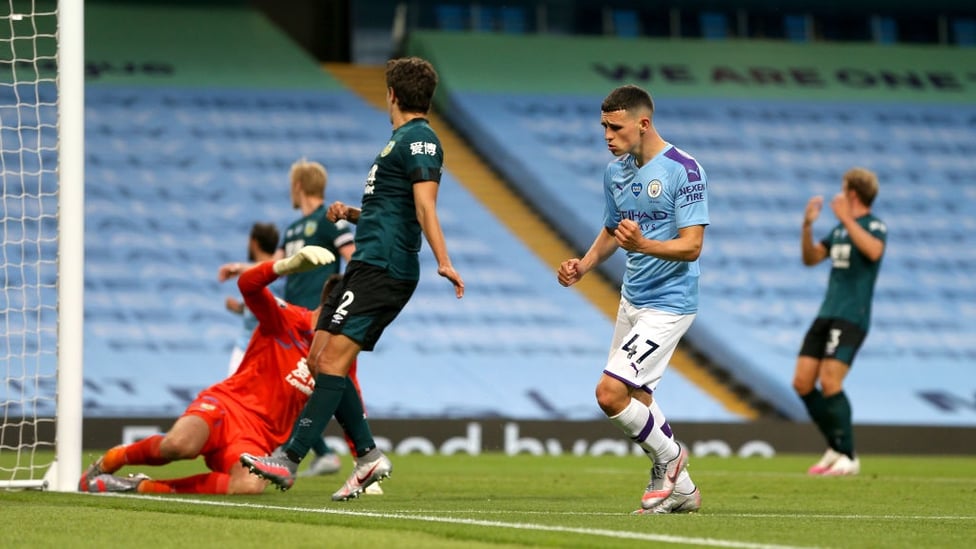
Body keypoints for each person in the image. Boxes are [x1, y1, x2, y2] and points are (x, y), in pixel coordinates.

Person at [240, 56, 465, 501]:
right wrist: (353, 213)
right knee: (317, 355)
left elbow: (424, 207)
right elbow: (393, 209)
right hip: (365, 263)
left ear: (393, 96)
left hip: (384, 269)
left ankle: (288, 458)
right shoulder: (399, 141)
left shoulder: (420, 139)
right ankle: (367, 458)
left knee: (332, 362)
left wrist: (444, 259)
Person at [557, 84, 708, 515]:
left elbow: (692, 245)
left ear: (643, 124)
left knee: (609, 393)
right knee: (637, 400)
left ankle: (671, 458)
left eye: (615, 127)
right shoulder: (616, 172)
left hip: (671, 302)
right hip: (632, 299)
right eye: (603, 126)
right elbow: (612, 229)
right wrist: (584, 266)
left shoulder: (684, 169)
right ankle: (685, 491)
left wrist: (643, 246)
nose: (607, 135)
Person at [78, 246, 338, 494]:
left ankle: (139, 486)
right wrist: (285, 266)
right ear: (332, 308)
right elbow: (247, 285)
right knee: (178, 445)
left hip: (256, 438)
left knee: (249, 486)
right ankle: (113, 458)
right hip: (227, 406)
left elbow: (348, 401)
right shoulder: (287, 319)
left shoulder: (338, 353)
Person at [794, 167, 886, 477]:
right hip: (827, 313)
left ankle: (848, 454)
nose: (838, 195)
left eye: (843, 189)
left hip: (852, 316)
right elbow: (810, 259)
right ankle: (835, 444)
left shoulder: (874, 226)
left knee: (831, 381)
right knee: (803, 382)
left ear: (853, 195)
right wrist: (807, 227)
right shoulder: (838, 231)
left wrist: (846, 218)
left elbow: (874, 251)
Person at [218, 222, 282, 377]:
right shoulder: (282, 275)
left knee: (233, 397)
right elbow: (264, 306)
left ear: (254, 243)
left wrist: (237, 268)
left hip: (251, 349)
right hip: (270, 350)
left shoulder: (263, 274)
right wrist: (239, 308)